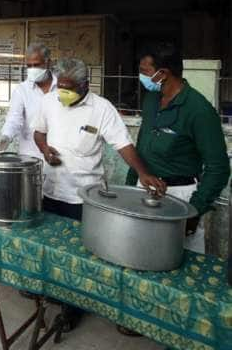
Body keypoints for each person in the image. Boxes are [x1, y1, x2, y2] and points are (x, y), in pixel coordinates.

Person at [31, 57, 165, 331]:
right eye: (60, 86)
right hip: (51, 189)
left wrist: (142, 172)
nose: (63, 92)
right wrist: (45, 150)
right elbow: (38, 133)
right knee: (50, 248)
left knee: (78, 255)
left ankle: (73, 307)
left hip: (83, 196)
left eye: (69, 87)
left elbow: (122, 144)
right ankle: (52, 293)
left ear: (84, 85)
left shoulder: (101, 109)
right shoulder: (49, 101)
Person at [127, 45, 230, 254]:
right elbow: (143, 145)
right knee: (139, 252)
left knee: (176, 258)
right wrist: (132, 183)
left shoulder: (198, 110)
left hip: (179, 196)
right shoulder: (151, 100)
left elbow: (218, 167)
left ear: (163, 73)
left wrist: (194, 211)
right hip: (143, 189)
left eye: (145, 72)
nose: (141, 76)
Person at [0, 43, 57, 156]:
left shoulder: (61, 88)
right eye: (29, 66)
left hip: (58, 153)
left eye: (36, 65)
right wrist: (6, 136)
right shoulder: (22, 90)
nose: (32, 69)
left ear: (48, 63)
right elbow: (14, 118)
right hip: (30, 155)